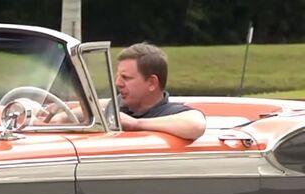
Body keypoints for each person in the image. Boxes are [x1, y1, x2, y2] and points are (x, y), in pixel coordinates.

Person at [50, 43, 206, 140]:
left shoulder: (169, 113)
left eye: (126, 78)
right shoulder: (117, 104)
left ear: (152, 83)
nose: (118, 83)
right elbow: (98, 106)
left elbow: (196, 125)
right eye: (118, 76)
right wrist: (57, 115)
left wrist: (136, 124)